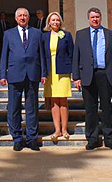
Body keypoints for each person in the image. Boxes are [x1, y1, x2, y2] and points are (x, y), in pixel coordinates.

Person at [0, 7, 48, 151]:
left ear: (28, 18)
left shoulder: (37, 33)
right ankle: (17, 138)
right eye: (20, 16)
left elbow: (42, 54)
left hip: (32, 73)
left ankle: (32, 138)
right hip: (14, 74)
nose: (22, 18)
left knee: (32, 108)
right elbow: (4, 55)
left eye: (25, 16)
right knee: (14, 108)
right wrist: (2, 74)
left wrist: (44, 73)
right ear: (15, 18)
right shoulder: (8, 34)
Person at [72, 7, 112, 150]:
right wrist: (76, 77)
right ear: (89, 19)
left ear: (101, 18)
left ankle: (110, 138)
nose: (95, 19)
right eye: (92, 17)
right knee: (90, 109)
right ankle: (92, 138)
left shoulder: (111, 35)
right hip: (88, 76)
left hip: (106, 75)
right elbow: (76, 56)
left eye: (97, 17)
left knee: (107, 108)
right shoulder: (81, 34)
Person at [42, 12, 74, 140]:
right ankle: (57, 130)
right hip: (50, 72)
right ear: (48, 22)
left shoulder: (66, 35)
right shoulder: (44, 36)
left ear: (60, 22)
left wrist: (73, 73)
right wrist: (43, 73)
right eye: (52, 20)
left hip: (63, 71)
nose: (55, 22)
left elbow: (71, 53)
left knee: (63, 101)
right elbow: (42, 56)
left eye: (57, 20)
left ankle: (65, 129)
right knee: (54, 101)